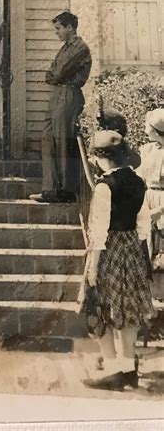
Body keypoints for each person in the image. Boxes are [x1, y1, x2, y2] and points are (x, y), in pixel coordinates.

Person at [82, 130, 154, 391]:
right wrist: (138, 254)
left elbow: (99, 231)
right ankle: (128, 370)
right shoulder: (138, 182)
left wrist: (92, 268)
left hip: (109, 251)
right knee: (127, 312)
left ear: (102, 159)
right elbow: (143, 225)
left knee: (100, 310)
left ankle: (114, 372)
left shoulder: (104, 186)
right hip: (132, 248)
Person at [30, 11, 92, 203]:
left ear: (70, 28)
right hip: (57, 94)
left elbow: (56, 74)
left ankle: (65, 190)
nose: (56, 32)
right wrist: (54, 74)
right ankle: (50, 189)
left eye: (58, 28)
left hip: (69, 95)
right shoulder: (65, 48)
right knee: (48, 138)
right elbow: (51, 75)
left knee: (63, 140)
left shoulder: (80, 48)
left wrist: (55, 74)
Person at [137, 108, 164, 271]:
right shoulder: (147, 150)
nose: (146, 130)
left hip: (162, 202)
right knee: (146, 245)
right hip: (147, 199)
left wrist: (160, 210)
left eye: (148, 127)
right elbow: (139, 176)